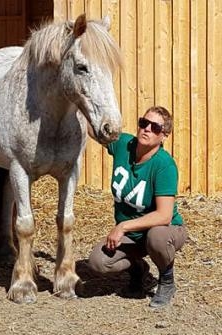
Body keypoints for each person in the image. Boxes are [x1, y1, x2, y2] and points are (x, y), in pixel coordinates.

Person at [88, 106, 187, 308]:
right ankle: (138, 269)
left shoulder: (164, 165)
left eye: (155, 127)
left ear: (164, 135)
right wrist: (76, 107)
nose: (147, 129)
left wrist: (122, 227)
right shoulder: (124, 144)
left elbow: (164, 215)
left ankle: (166, 281)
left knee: (156, 237)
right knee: (97, 262)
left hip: (166, 230)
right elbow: (94, 130)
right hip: (135, 236)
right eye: (144, 123)